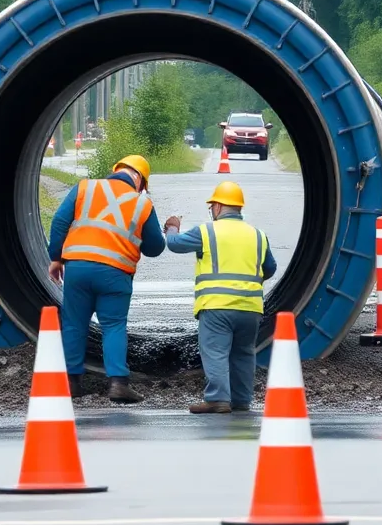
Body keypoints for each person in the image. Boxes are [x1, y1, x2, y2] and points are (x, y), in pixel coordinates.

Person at [47, 155, 166, 403]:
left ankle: (71, 383)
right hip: (115, 273)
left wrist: (56, 258)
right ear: (141, 182)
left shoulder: (85, 188)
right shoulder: (142, 204)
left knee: (73, 323)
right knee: (113, 325)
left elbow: (59, 222)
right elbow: (154, 248)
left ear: (116, 171)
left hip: (77, 268)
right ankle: (118, 384)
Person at [164, 181, 277, 414]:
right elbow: (270, 267)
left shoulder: (206, 232)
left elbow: (174, 245)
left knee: (215, 351)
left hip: (217, 306)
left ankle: (217, 399)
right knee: (244, 353)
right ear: (239, 208)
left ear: (217, 206)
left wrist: (172, 227)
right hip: (250, 307)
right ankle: (242, 400)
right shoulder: (258, 235)